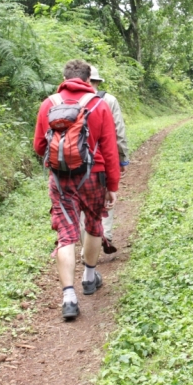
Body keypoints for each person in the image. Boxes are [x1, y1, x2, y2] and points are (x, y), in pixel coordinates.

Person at [33, 59, 121, 320]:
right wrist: (112, 185)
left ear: (64, 77)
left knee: (66, 234)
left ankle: (69, 297)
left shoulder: (49, 104)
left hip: (60, 179)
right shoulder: (98, 104)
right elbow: (109, 149)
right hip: (94, 176)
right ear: (87, 79)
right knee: (93, 224)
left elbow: (40, 147)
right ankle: (89, 278)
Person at [79, 65, 129, 257]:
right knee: (106, 199)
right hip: (102, 161)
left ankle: (86, 245)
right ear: (97, 82)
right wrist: (122, 158)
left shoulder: (66, 99)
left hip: (74, 161)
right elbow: (118, 131)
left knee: (83, 204)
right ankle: (104, 235)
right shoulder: (108, 100)